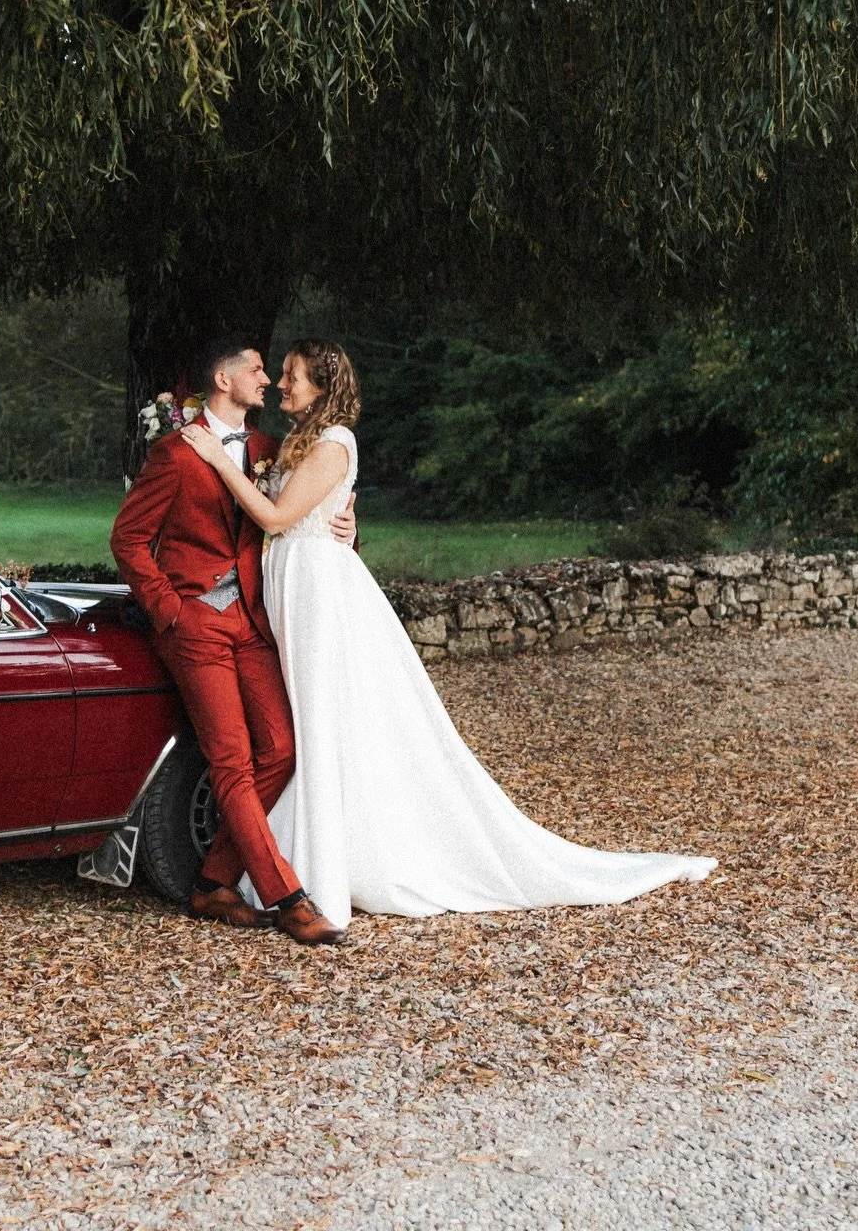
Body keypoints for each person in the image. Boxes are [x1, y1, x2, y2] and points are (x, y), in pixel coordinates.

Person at [181, 339, 718, 931]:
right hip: (290, 591)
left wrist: (219, 460)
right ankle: (293, 860)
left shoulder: (336, 443)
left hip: (319, 598)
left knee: (320, 723)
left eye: (292, 376)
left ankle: (320, 869)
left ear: (323, 386)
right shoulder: (294, 443)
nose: (282, 385)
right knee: (306, 730)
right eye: (278, 375)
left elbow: (279, 519)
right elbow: (298, 511)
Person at [110, 335, 356, 945]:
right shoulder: (174, 453)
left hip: (252, 620)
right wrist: (172, 613)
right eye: (256, 369)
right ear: (224, 380)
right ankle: (288, 897)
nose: (269, 379)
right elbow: (128, 540)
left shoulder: (273, 449)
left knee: (280, 748)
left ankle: (215, 882)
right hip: (194, 624)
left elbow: (305, 509)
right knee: (231, 761)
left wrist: (350, 527)